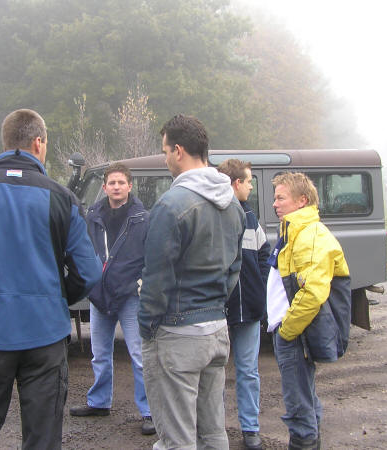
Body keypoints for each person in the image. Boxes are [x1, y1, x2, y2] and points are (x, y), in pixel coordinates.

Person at [0, 108, 102, 449]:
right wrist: (57, 297)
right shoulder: (62, 198)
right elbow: (89, 271)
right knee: (43, 439)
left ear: (6, 141)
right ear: (39, 143)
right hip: (45, 336)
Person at [138, 114, 245, 450]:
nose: (165, 159)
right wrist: (214, 305)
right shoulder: (234, 205)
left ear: (179, 151)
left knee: (178, 440)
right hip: (216, 330)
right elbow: (234, 268)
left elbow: (156, 279)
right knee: (213, 432)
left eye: (165, 151)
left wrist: (146, 327)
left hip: (177, 333)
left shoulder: (171, 205)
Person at [267, 172, 350, 450]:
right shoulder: (293, 232)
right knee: (304, 397)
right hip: (290, 330)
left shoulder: (310, 236)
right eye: (275, 198)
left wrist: (287, 330)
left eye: (281, 198)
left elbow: (312, 292)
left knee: (299, 405)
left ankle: (305, 443)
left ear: (302, 200)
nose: (275, 204)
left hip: (294, 332)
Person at [70, 163, 155, 435]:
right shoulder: (92, 216)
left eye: (121, 182)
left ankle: (150, 411)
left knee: (139, 355)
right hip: (99, 295)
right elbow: (84, 250)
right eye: (112, 183)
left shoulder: (143, 218)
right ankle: (99, 402)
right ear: (104, 187)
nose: (116, 187)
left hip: (130, 296)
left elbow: (152, 256)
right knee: (100, 354)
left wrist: (141, 283)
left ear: (130, 186)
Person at [217, 159, 270, 450]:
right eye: (248, 181)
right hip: (216, 311)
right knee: (213, 374)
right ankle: (214, 430)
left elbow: (264, 254)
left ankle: (250, 428)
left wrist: (259, 287)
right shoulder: (211, 214)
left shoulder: (250, 217)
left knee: (248, 372)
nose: (250, 187)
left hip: (248, 309)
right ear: (236, 183)